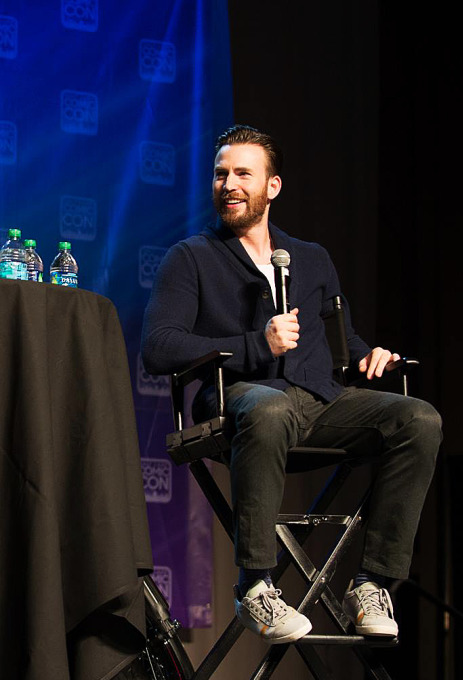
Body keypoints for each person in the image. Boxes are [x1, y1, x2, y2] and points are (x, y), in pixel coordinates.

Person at [141, 124, 442, 645]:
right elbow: (159, 347)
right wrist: (259, 344)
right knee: (269, 407)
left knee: (419, 419)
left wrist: (370, 355)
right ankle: (255, 586)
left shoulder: (311, 258)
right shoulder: (190, 257)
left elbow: (342, 342)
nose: (228, 184)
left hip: (318, 401)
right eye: (220, 174)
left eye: (242, 173)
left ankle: (371, 583)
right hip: (238, 400)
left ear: (272, 187)